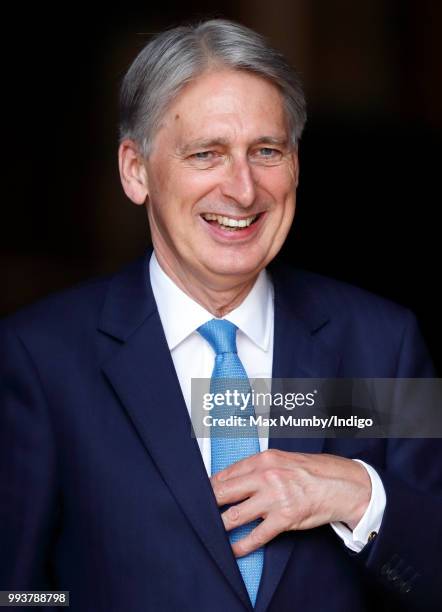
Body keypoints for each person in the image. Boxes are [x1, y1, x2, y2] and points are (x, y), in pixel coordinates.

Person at [0, 19, 440, 612]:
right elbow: (17, 593)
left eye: (266, 151)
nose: (243, 189)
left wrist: (363, 496)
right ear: (135, 170)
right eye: (206, 153)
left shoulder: (384, 343)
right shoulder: (39, 359)